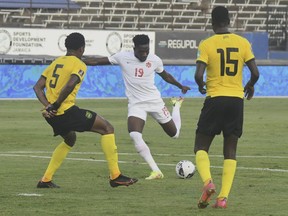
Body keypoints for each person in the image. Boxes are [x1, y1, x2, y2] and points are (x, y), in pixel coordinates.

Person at [33, 32, 138, 188]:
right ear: (82, 48)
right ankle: (115, 176)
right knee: (107, 128)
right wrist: (55, 105)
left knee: (70, 139)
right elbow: (70, 85)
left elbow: (37, 87)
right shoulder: (79, 64)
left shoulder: (56, 62)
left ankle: (46, 180)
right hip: (65, 111)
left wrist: (48, 105)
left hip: (51, 115)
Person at [83, 34, 191, 180]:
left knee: (174, 134)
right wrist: (77, 59)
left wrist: (180, 85)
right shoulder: (122, 57)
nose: (144, 54)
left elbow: (165, 76)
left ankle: (176, 105)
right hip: (136, 104)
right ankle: (156, 171)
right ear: (134, 48)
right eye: (141, 51)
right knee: (134, 134)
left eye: (146, 50)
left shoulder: (155, 60)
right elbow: (97, 61)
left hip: (155, 102)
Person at [193, 6, 260, 209]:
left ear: (212, 22)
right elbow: (255, 73)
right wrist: (249, 86)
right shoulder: (243, 43)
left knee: (200, 146)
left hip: (215, 99)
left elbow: (198, 75)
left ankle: (208, 183)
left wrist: (200, 85)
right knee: (230, 149)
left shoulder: (206, 44)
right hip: (235, 101)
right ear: (229, 21)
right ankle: (222, 198)